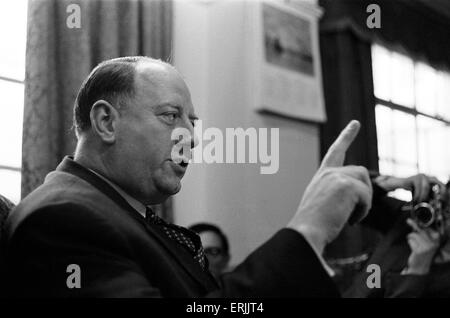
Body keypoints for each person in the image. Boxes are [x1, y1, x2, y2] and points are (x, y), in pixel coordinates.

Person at [0, 56, 372, 297]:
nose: (191, 137)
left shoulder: (119, 212)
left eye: (191, 122)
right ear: (106, 122)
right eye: (170, 116)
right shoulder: (63, 218)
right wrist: (308, 230)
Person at [345, 174, 450, 298]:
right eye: (444, 204)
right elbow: (344, 202)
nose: (439, 215)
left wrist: (416, 272)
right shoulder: (412, 217)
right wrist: (390, 183)